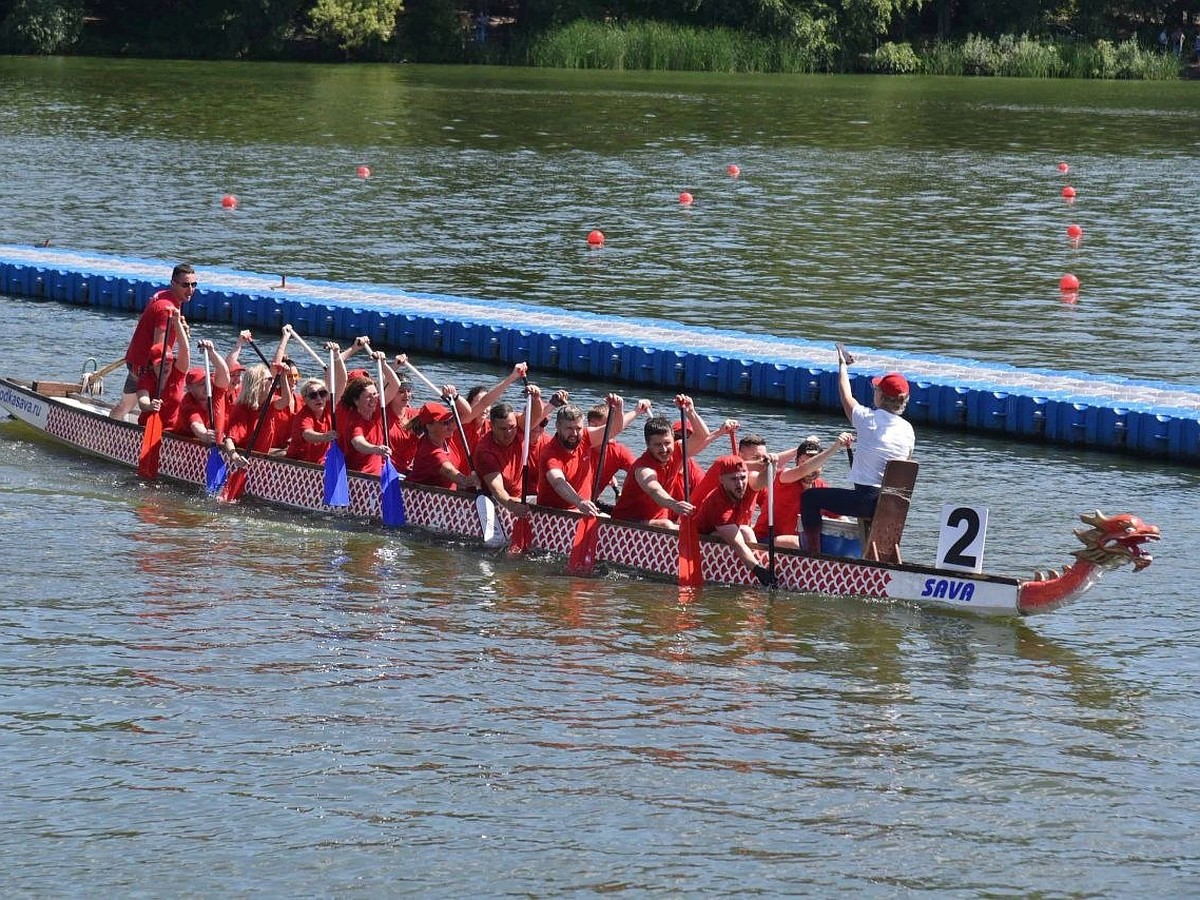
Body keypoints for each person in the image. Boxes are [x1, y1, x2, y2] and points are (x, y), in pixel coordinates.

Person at [798, 353, 916, 554]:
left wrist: (843, 365)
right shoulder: (908, 430)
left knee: (810, 498)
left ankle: (813, 555)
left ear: (880, 396)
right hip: (892, 505)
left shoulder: (867, 419)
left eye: (876, 390)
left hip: (866, 500)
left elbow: (846, 395)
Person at [112, 263, 197, 420]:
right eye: (185, 285)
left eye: (194, 284)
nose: (190, 289)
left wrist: (179, 327)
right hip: (145, 365)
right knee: (128, 405)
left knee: (127, 404)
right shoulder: (166, 309)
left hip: (136, 358)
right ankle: (108, 431)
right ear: (173, 283)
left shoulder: (164, 295)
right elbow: (158, 347)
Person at [610, 398, 706, 530]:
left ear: (673, 440)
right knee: (667, 525)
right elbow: (655, 490)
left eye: (667, 443)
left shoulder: (678, 449)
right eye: (657, 445)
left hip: (659, 520)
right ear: (648, 445)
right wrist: (675, 505)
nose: (664, 449)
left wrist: (691, 412)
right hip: (626, 524)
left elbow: (702, 437)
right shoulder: (643, 468)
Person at [754, 434, 851, 548]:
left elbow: (838, 516)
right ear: (796, 462)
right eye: (805, 462)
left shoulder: (821, 486)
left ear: (822, 465)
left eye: (815, 464)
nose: (810, 470)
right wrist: (835, 447)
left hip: (799, 544)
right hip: (766, 540)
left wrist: (851, 529)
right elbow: (803, 471)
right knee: (800, 543)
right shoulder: (784, 477)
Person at [536, 396, 626, 516]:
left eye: (578, 428)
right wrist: (580, 502)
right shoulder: (550, 453)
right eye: (569, 428)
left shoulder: (586, 436)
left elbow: (615, 429)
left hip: (584, 510)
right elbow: (559, 483)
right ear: (557, 426)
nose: (574, 434)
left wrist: (618, 408)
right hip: (555, 516)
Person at [694, 454, 774, 585]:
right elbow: (738, 544)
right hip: (702, 540)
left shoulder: (746, 486)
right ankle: (758, 570)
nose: (740, 484)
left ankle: (767, 565)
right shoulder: (717, 503)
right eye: (733, 479)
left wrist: (772, 465)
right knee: (742, 534)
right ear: (721, 480)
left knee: (747, 531)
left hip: (728, 533)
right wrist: (758, 571)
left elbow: (765, 480)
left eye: (743, 478)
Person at [474, 388, 544, 516]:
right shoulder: (485, 451)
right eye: (503, 429)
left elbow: (536, 416)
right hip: (495, 501)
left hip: (519, 497)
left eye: (512, 427)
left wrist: (536, 398)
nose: (509, 433)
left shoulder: (518, 427)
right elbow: (497, 489)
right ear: (492, 426)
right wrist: (512, 507)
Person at [332, 353, 396, 476]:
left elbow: (394, 384)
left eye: (375, 394)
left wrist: (383, 364)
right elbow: (358, 442)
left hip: (377, 473)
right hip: (359, 477)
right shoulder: (352, 417)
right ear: (356, 399)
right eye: (368, 396)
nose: (373, 399)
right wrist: (376, 449)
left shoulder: (377, 408)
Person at [407, 400, 480, 491]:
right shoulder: (430, 451)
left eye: (450, 420)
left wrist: (455, 397)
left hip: (446, 494)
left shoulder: (445, 436)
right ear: (429, 426)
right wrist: (470, 480)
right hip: (422, 497)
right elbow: (450, 472)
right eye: (445, 423)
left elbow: (468, 414)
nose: (450, 425)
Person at [168, 339, 231, 444]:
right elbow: (196, 425)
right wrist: (205, 436)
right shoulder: (188, 403)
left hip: (216, 444)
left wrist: (212, 352)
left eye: (208, 382)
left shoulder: (214, 391)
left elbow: (224, 372)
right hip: (185, 449)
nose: (207, 386)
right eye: (202, 384)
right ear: (190, 388)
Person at [285, 375, 338, 464]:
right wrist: (325, 437)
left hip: (320, 463)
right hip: (298, 464)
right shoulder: (303, 416)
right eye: (313, 395)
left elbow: (342, 382)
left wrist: (338, 360)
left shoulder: (328, 406)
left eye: (322, 393)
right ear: (305, 399)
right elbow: (307, 435)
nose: (319, 398)